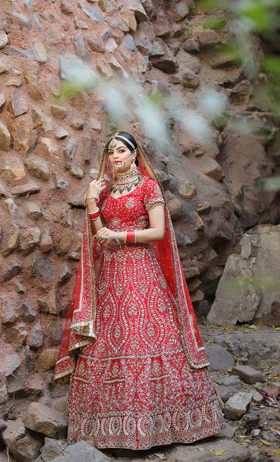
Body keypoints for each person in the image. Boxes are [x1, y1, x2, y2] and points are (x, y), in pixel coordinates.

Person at [54, 132, 225, 450]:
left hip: (142, 272)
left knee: (145, 335)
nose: (114, 157)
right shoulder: (103, 192)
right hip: (111, 276)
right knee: (109, 339)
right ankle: (105, 430)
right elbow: (99, 235)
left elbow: (158, 231)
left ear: (135, 155)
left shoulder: (148, 187)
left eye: (121, 151)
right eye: (110, 152)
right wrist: (92, 202)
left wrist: (122, 237)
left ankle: (165, 424)